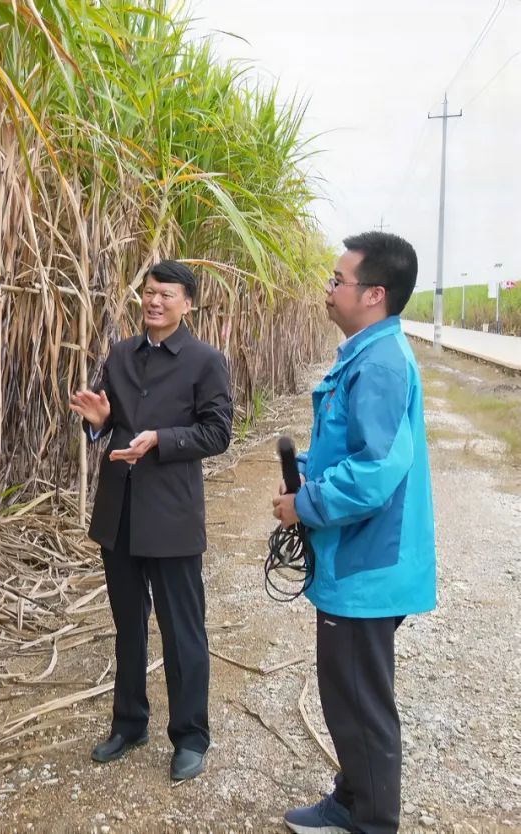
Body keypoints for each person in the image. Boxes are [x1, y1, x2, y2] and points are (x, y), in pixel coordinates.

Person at [271, 232, 436, 834]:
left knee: (362, 702)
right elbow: (354, 452)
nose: (328, 289)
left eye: (337, 280)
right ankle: (351, 797)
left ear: (373, 294)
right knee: (347, 693)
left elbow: (375, 474)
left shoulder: (384, 364)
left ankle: (371, 821)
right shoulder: (365, 357)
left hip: (370, 565)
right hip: (356, 560)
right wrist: (309, 475)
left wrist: (304, 505)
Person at [69, 260, 232, 781]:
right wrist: (99, 426)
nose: (154, 301)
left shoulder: (206, 361)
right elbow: (110, 417)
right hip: (119, 514)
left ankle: (190, 736)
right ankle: (129, 722)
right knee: (128, 625)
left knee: (183, 630)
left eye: (166, 294)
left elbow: (217, 433)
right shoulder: (120, 354)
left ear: (188, 303)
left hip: (172, 516)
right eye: (148, 292)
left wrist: (162, 439)